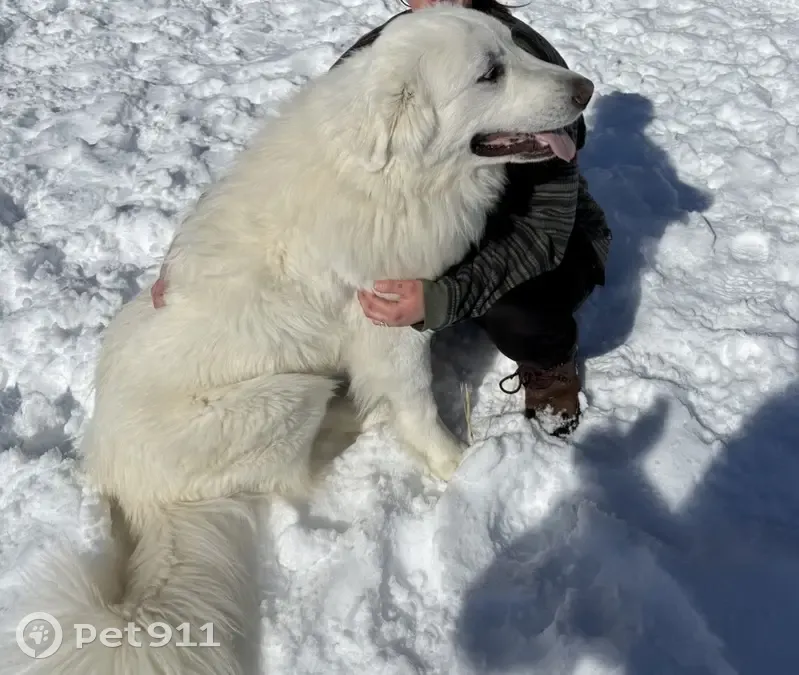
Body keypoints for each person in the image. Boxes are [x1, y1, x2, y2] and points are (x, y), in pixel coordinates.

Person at [151, 0, 611, 438]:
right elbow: (289, 148)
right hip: (454, 223)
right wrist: (186, 247)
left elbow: (543, 233)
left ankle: (549, 363)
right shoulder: (390, 57)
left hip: (538, 234)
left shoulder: (515, 51)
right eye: (492, 74)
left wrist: (441, 299)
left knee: (523, 313)